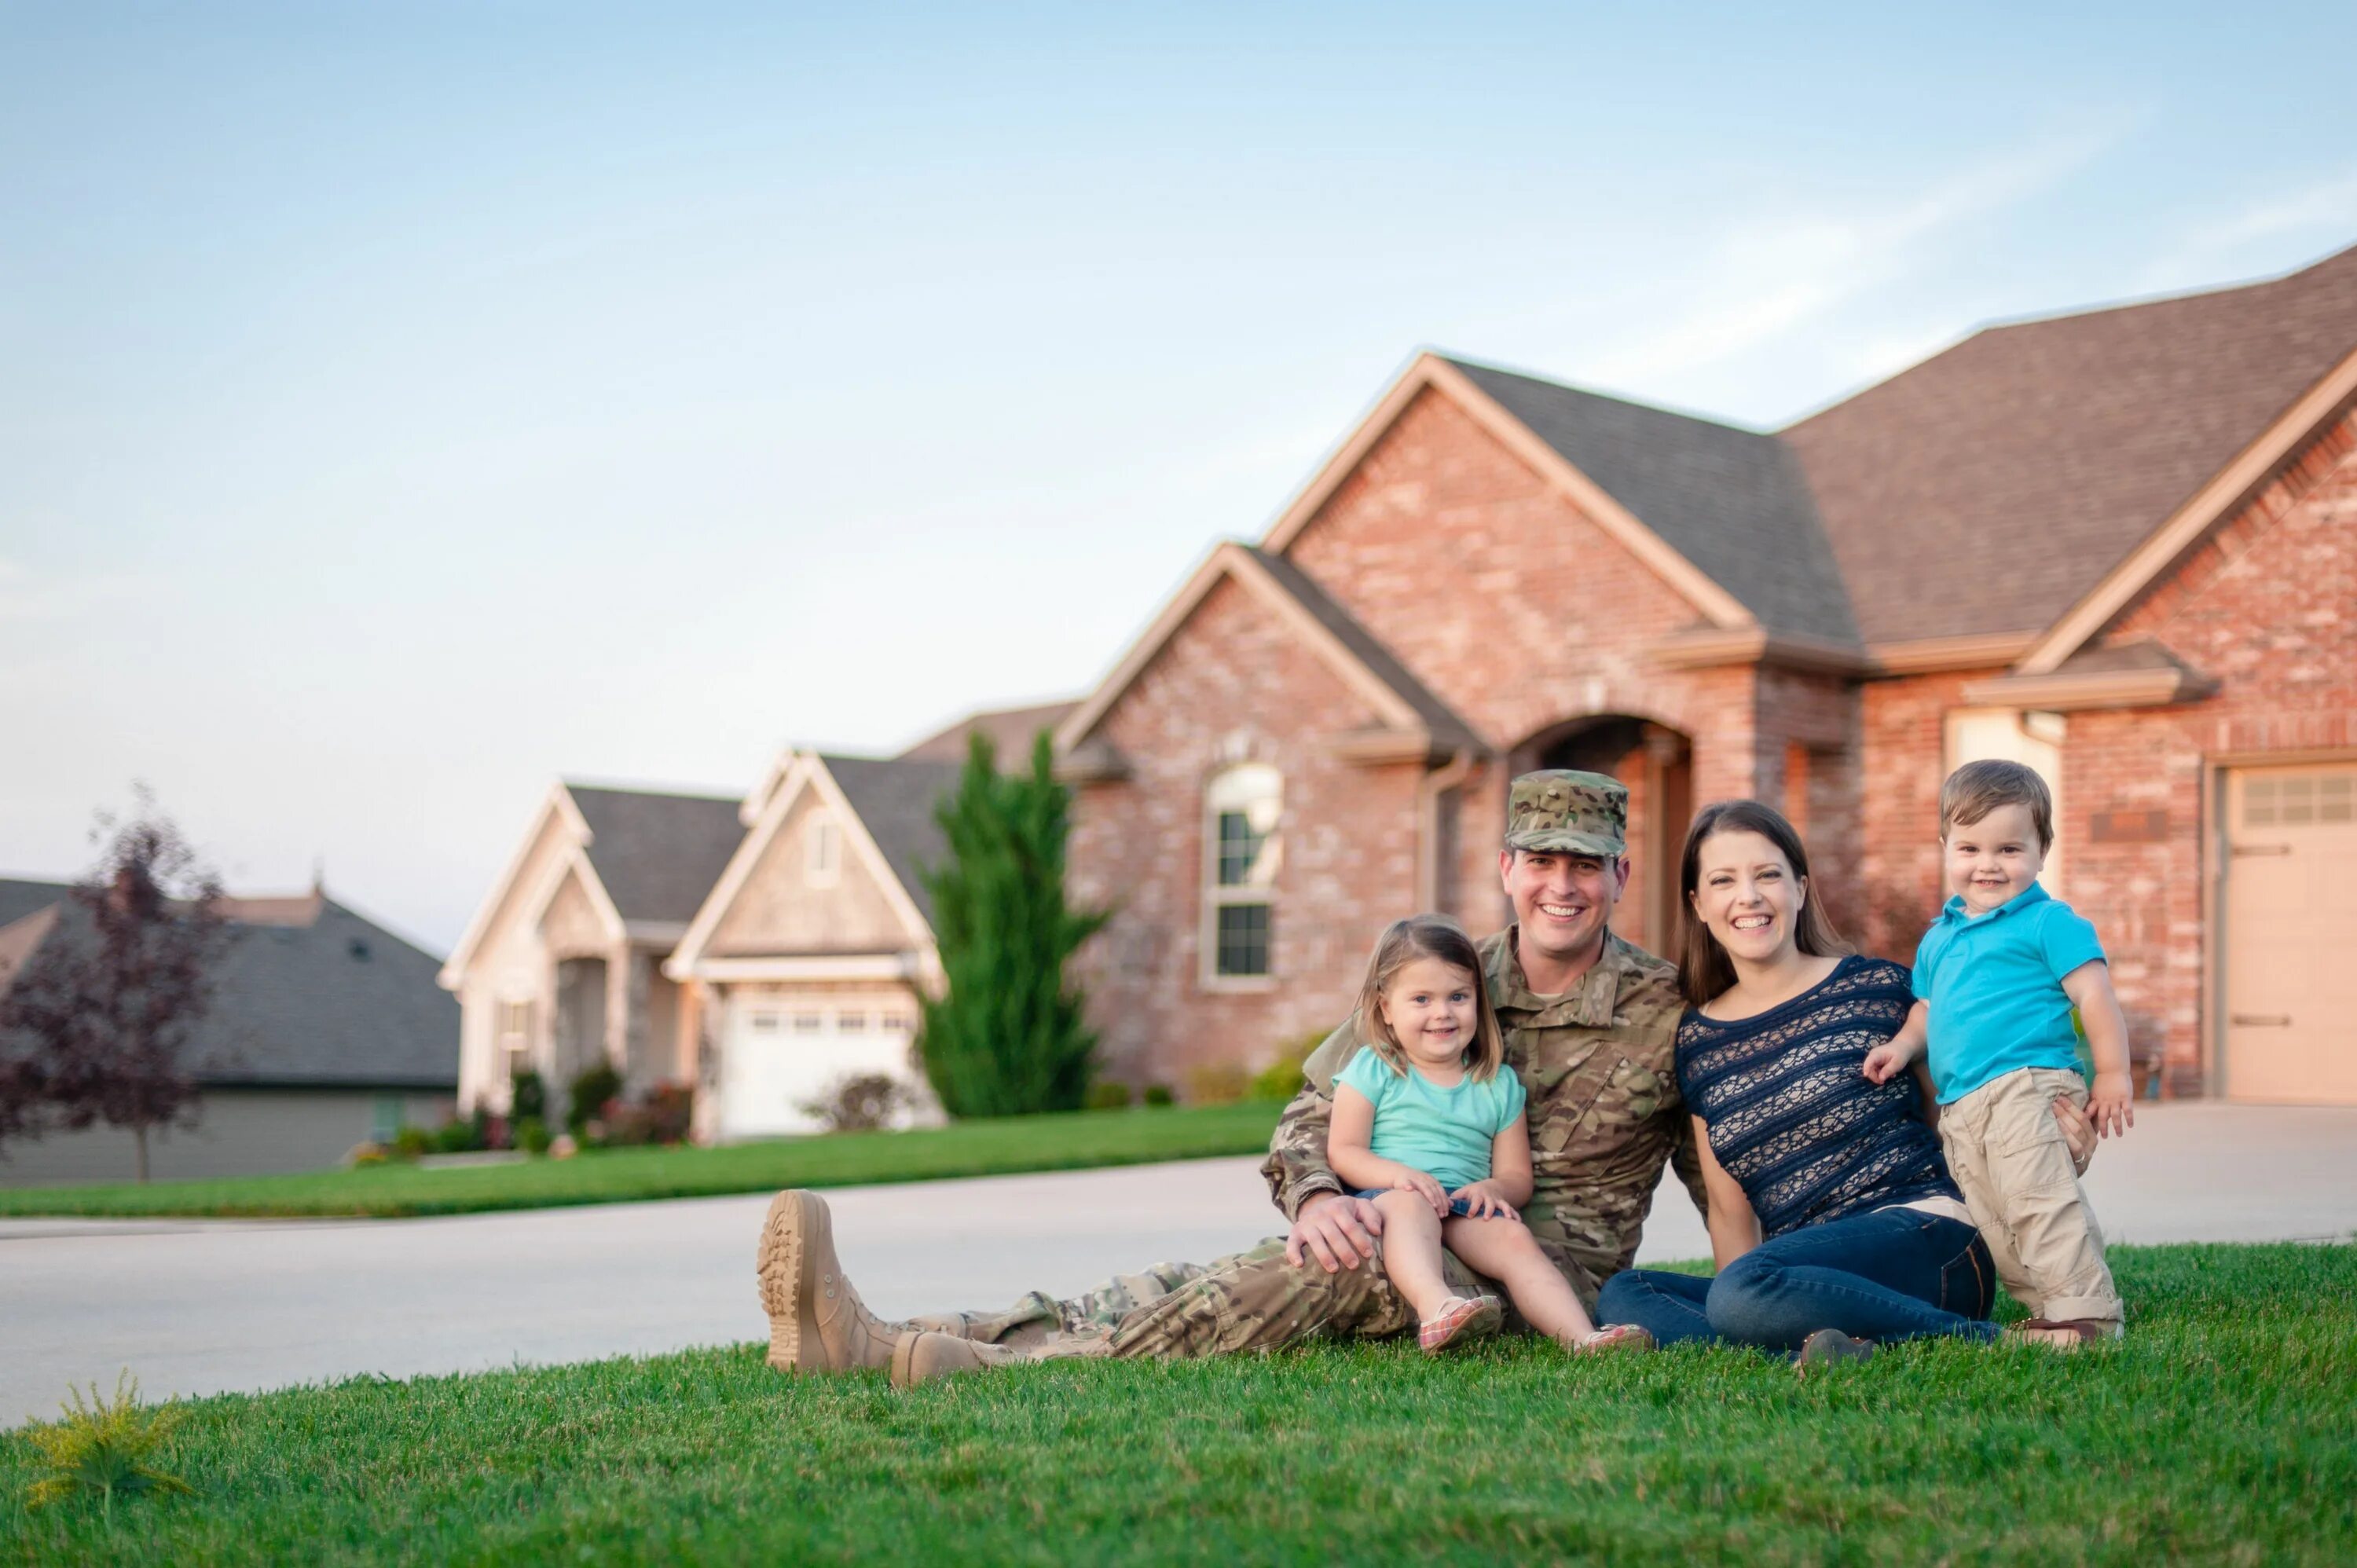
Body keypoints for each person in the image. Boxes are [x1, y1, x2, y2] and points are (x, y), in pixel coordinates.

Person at [754, 768, 1709, 1387]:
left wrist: (1774, 1293)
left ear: (1623, 874)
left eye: (1587, 864)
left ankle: (972, 1367)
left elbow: (1728, 1170)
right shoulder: (1445, 980)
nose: (1563, 883)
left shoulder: (1669, 1011)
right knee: (1195, 1276)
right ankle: (887, 1329)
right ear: (1507, 867)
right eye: (1542, 859)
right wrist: (1318, 1190)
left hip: (1525, 1275)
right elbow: (1313, 1115)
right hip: (1396, 1220)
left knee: (1278, 1284)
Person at [1595, 799, 2099, 1367]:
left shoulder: (1880, 989)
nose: (1749, 897)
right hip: (1803, 1270)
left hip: (1928, 1238)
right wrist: (1752, 1303)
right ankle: (1821, 1350)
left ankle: (2000, 1342)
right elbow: (1730, 1211)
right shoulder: (1698, 1040)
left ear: (1801, 889)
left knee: (1743, 1290)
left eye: (1768, 875)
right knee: (1626, 1294)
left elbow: (1971, 1105)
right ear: (1699, 903)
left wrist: (2050, 1138)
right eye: (1724, 880)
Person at [1861, 760, 2130, 1345]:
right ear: (1945, 847)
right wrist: (1902, 1048)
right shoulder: (1939, 937)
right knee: (1994, 1215)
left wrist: (2111, 1073)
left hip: (2026, 1084)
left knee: (2039, 1200)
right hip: (1962, 1105)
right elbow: (1927, 1011)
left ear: (2042, 850)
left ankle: (2089, 1309)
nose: (1988, 865)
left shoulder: (2047, 922)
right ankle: (2050, 1308)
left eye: (2009, 849)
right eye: (1970, 848)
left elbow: (2095, 994)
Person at [1328, 913, 1647, 1354]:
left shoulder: (1496, 1085)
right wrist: (1396, 1176)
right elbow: (1343, 1151)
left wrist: (1493, 1189)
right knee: (1412, 1208)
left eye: (1457, 996)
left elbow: (1517, 1178)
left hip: (1459, 1205)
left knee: (1514, 1239)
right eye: (1421, 999)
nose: (1442, 1012)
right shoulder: (1375, 1068)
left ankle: (1583, 1338)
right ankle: (1436, 1308)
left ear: (1478, 1000)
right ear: (1387, 1007)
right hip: (1388, 1201)